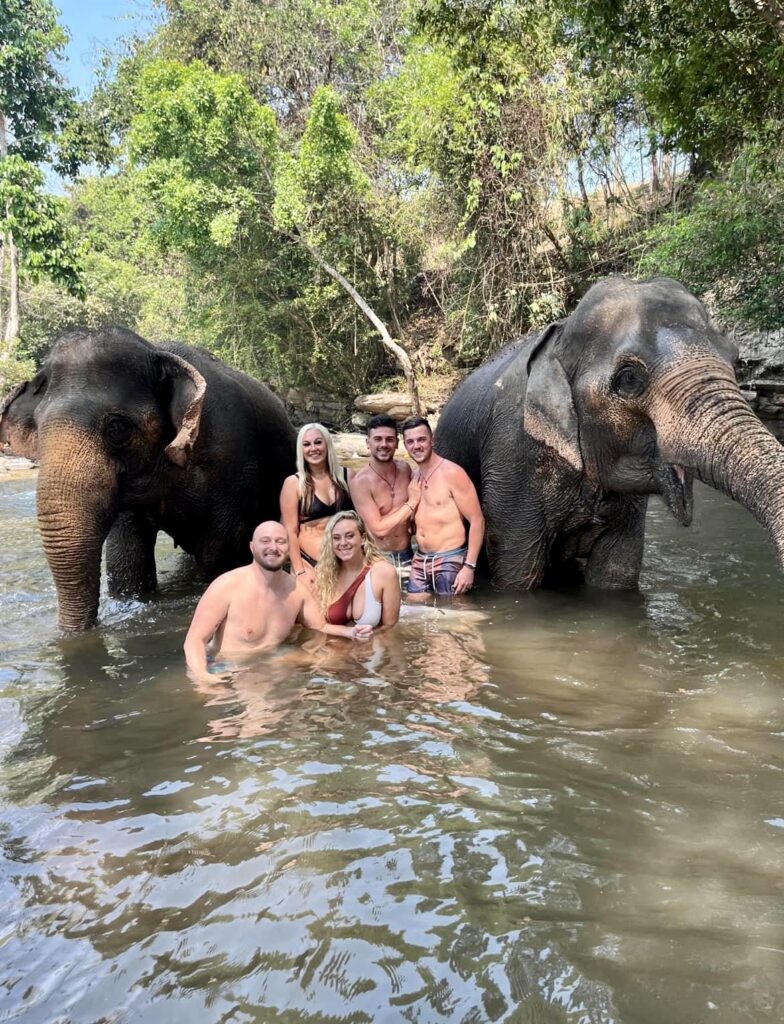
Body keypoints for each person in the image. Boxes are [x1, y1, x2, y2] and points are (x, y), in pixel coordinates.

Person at [183, 521, 362, 681]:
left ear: (288, 547)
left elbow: (320, 627)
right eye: (266, 541)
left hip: (272, 662)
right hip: (226, 667)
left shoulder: (296, 590)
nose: (273, 547)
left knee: (338, 661)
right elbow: (194, 641)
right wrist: (203, 677)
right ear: (252, 547)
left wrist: (351, 632)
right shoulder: (226, 586)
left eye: (280, 541)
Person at [401, 416, 485, 596]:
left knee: (453, 616)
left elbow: (477, 520)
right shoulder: (414, 477)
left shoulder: (452, 473)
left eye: (421, 439)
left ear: (432, 440)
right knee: (415, 615)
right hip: (420, 559)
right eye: (410, 441)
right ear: (405, 445)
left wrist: (469, 567)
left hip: (449, 558)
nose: (416, 446)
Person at [280, 423, 354, 590]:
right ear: (301, 450)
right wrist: (300, 572)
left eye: (318, 442)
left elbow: (360, 524)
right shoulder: (294, 484)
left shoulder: (347, 477)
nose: (313, 448)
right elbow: (290, 531)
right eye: (306, 444)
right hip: (310, 564)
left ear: (327, 444)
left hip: (345, 563)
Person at [349, 414, 420, 582]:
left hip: (409, 554)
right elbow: (378, 528)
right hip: (378, 558)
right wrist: (411, 504)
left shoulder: (405, 469)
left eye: (389, 439)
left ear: (396, 443)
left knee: (416, 608)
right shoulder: (360, 482)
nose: (384, 445)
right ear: (368, 443)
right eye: (378, 439)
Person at [315, 511, 401, 634]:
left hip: (369, 648)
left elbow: (390, 627)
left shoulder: (384, 572)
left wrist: (368, 635)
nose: (343, 543)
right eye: (336, 538)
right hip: (332, 649)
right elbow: (317, 625)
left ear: (363, 539)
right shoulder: (325, 574)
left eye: (349, 536)